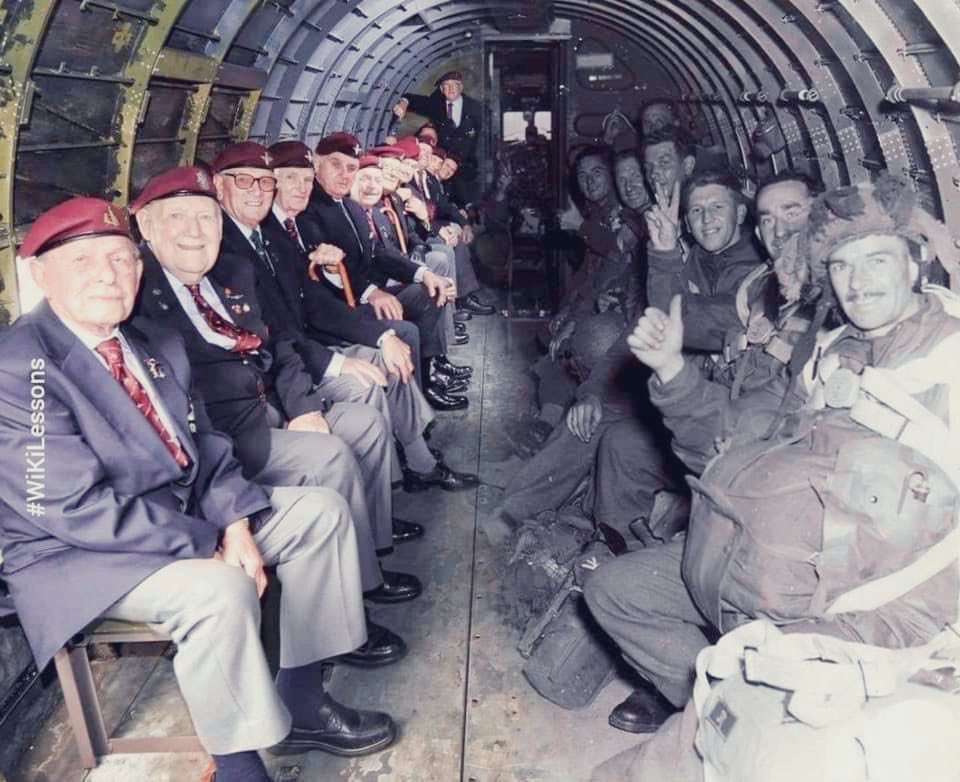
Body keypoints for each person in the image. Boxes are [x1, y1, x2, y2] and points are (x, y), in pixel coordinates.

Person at [0, 197, 396, 782]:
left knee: (321, 514)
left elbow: (204, 443)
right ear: (38, 274)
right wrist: (209, 540)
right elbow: (72, 508)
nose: (109, 275)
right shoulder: (21, 365)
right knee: (218, 592)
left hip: (172, 516)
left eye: (121, 258)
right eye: (84, 261)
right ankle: (241, 770)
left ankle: (304, 696)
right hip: (75, 556)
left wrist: (236, 521)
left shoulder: (151, 340)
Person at [586, 175, 960, 779]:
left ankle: (751, 719)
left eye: (877, 260)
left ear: (915, 265)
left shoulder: (948, 366)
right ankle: (723, 711)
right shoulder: (836, 349)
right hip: (758, 566)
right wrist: (675, 374)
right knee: (617, 590)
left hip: (842, 609)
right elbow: (738, 454)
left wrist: (823, 645)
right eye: (841, 265)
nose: (858, 282)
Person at [131, 163, 424, 632]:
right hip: (226, 437)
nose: (195, 232)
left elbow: (279, 342)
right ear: (145, 225)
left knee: (364, 424)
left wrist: (302, 407)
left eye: (206, 219)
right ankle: (343, 620)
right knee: (330, 457)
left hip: (268, 406)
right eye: (178, 217)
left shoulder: (231, 270)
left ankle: (366, 570)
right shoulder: (137, 293)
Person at [300, 132, 470, 405]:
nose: (344, 175)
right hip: (343, 307)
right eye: (336, 165)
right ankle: (417, 399)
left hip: (367, 294)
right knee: (405, 331)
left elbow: (380, 253)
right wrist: (372, 293)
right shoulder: (310, 212)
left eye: (351, 168)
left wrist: (423, 273)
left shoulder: (348, 206)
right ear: (317, 163)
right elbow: (331, 272)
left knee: (431, 289)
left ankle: (429, 374)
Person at [394, 70, 483, 207]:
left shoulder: (475, 108)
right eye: (446, 85)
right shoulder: (435, 105)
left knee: (465, 207)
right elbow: (410, 98)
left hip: (464, 169)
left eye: (455, 84)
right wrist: (403, 104)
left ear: (461, 87)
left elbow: (480, 139)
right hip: (441, 169)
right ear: (441, 89)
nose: (451, 89)